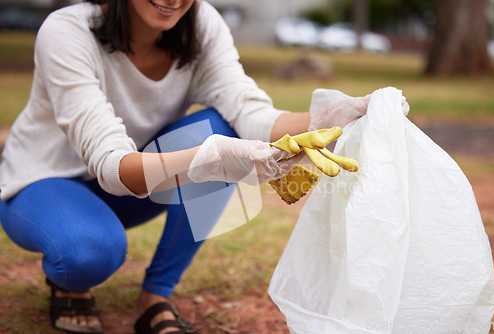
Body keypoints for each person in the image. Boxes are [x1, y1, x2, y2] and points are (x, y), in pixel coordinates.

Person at [0, 0, 369, 333]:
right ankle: (72, 279)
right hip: (43, 181)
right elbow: (111, 166)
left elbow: (249, 112)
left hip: (133, 186)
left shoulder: (201, 22)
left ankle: (155, 295)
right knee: (90, 254)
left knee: (219, 127)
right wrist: (210, 159)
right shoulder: (66, 30)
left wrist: (336, 116)